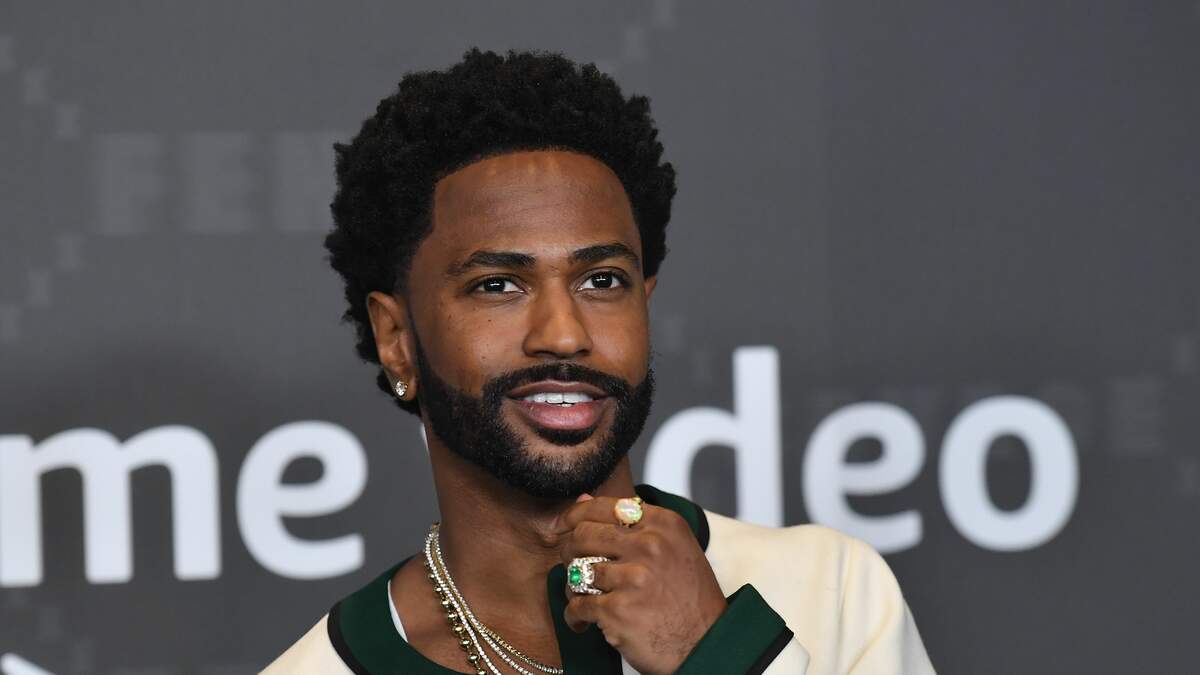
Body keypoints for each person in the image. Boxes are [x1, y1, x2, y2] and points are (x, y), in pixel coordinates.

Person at [264, 48, 935, 675]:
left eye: (602, 280)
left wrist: (713, 648)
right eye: (497, 285)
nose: (564, 335)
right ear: (397, 339)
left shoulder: (833, 592)